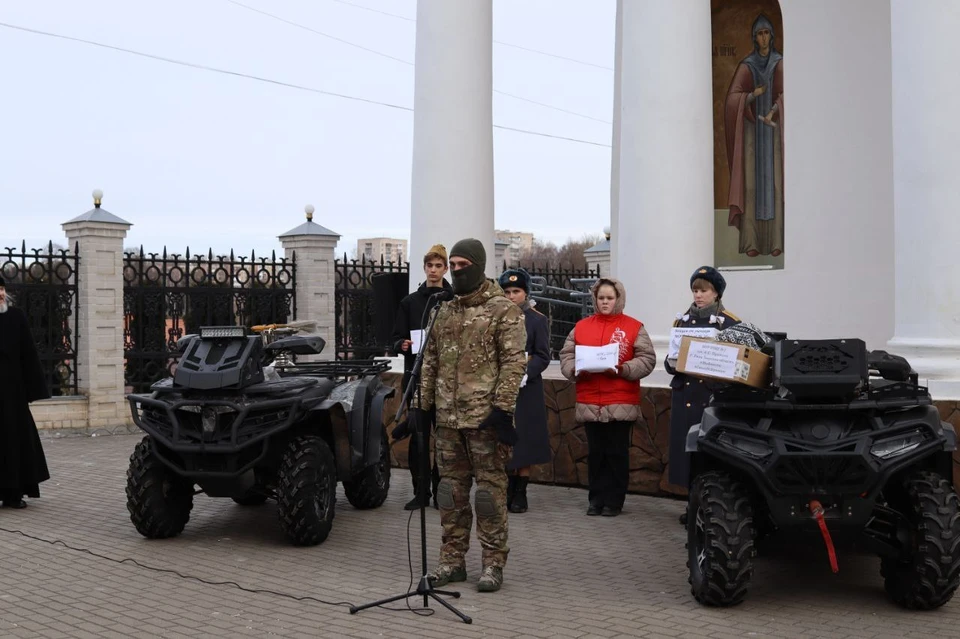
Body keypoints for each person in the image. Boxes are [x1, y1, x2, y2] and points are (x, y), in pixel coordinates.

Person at [415, 238, 526, 593]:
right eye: (454, 265)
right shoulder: (442, 310)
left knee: (488, 496)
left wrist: (503, 411)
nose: (458, 271)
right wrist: (421, 408)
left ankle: (493, 563)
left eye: (465, 265)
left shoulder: (503, 311)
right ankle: (452, 562)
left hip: (485, 420)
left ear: (478, 266)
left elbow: (513, 364)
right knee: (449, 493)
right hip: (448, 420)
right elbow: (428, 363)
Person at [559, 278, 656, 517]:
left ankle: (614, 501)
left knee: (616, 453)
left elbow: (647, 359)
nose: (605, 302)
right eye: (601, 298)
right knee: (596, 453)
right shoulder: (581, 326)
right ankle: (596, 500)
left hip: (621, 399)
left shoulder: (634, 327)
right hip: (590, 398)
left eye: (609, 298)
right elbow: (566, 355)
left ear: (618, 299)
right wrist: (573, 369)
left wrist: (623, 369)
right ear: (595, 299)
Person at [664, 266, 740, 523]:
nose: (698, 295)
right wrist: (672, 362)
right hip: (686, 392)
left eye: (704, 290)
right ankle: (691, 506)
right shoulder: (681, 322)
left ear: (716, 293)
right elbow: (669, 360)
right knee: (687, 454)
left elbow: (737, 362)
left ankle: (712, 509)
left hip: (710, 396)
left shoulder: (730, 323)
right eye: (695, 290)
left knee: (708, 453)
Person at [389, 244, 452, 510]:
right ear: (424, 268)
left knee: (446, 439)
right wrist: (401, 344)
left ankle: (441, 490)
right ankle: (420, 491)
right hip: (416, 377)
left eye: (439, 266)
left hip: (446, 381)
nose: (434, 270)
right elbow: (395, 337)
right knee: (419, 437)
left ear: (445, 268)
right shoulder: (410, 302)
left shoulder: (453, 300)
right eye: (430, 265)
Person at [724, 13, 785, 258]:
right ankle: (750, 242)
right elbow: (731, 99)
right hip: (751, 133)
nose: (763, 38)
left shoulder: (779, 63)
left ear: (772, 36)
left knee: (776, 185)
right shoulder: (746, 65)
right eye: (759, 33)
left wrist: (774, 110)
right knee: (750, 185)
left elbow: (787, 93)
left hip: (772, 134)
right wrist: (751, 95)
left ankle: (776, 241)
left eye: (767, 33)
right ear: (754, 37)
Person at [498, 268, 552, 514]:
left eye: (516, 292)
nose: (511, 296)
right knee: (506, 439)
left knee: (526, 441)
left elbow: (542, 355)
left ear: (526, 293)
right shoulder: (496, 318)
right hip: (501, 387)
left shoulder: (537, 320)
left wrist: (526, 373)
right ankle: (508, 487)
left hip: (527, 388)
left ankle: (521, 491)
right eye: (507, 292)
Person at [0, 277, 51, 508]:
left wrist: (33, 388)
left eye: (1, 289)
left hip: (12, 392)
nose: (1, 294)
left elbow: (28, 353)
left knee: (14, 440)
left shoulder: (15, 316)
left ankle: (14, 494)